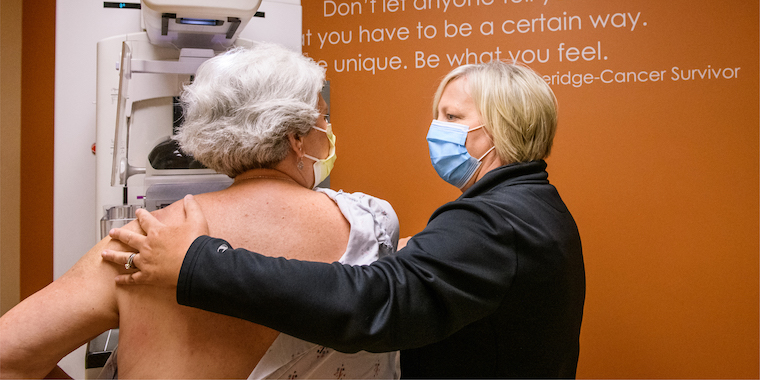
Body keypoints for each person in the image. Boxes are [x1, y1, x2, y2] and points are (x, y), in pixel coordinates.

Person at [105, 60, 586, 378]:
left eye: (452, 117)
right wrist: (424, 258)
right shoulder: (530, 205)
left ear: (499, 128)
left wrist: (198, 263)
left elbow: (374, 304)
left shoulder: (493, 222)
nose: (435, 130)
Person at [0, 43, 400, 379]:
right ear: (296, 138)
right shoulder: (368, 221)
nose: (328, 130)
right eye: (323, 117)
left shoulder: (147, 238)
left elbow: (9, 357)